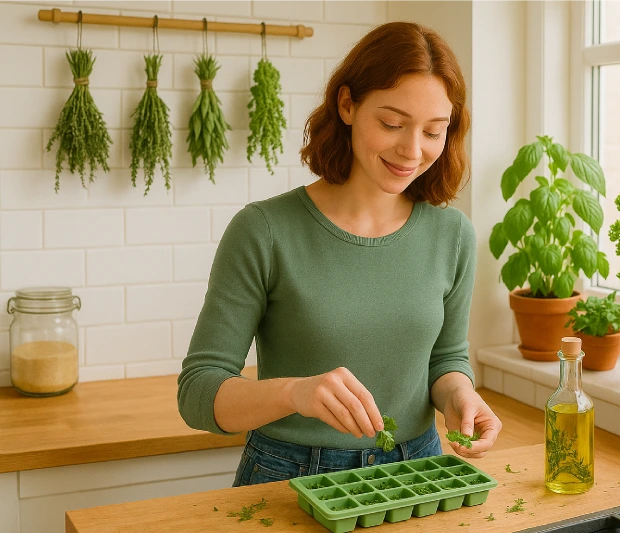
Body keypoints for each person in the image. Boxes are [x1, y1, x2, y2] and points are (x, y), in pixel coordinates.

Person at [177, 21, 502, 486]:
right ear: (347, 105)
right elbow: (197, 392)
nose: (412, 151)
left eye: (434, 132)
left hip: (419, 472)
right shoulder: (265, 230)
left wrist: (460, 398)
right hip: (289, 476)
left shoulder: (452, 234)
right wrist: (295, 394)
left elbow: (446, 360)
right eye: (392, 123)